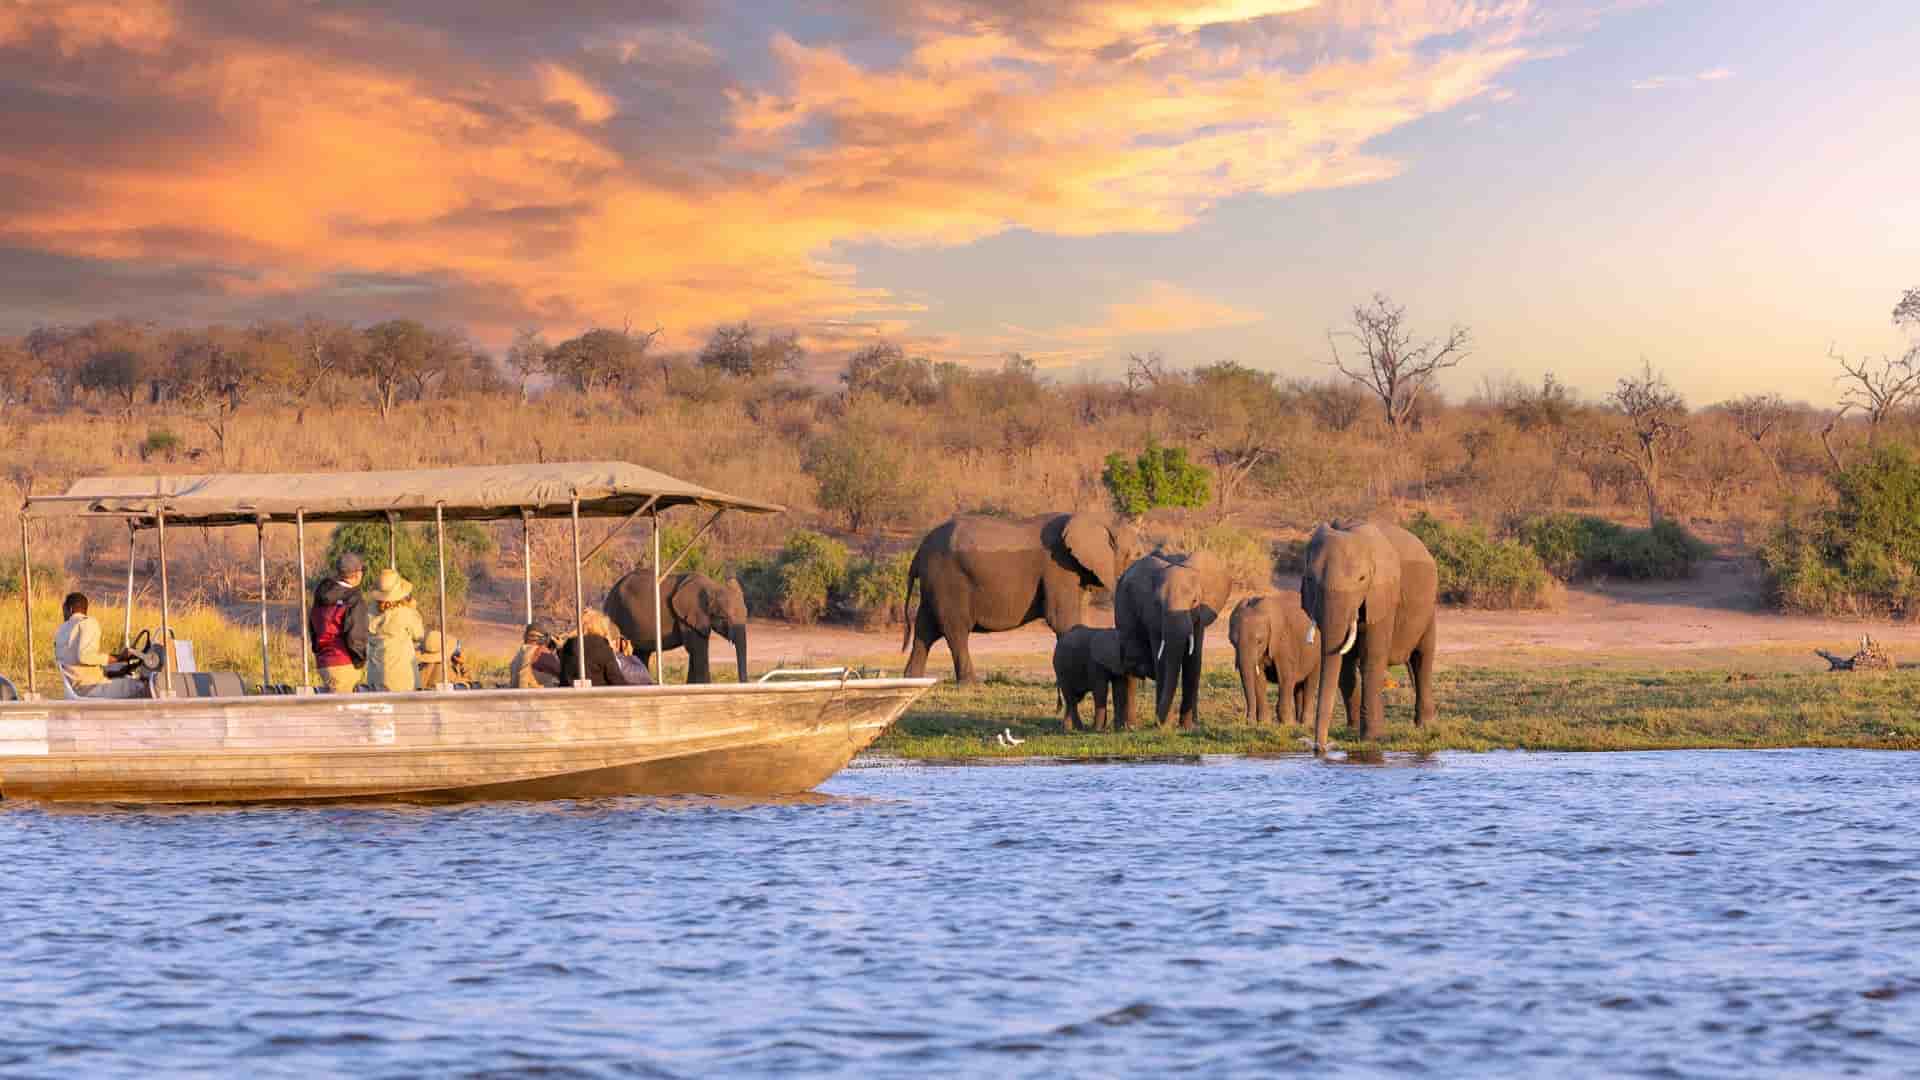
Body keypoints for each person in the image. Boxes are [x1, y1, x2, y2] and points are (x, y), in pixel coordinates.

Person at [53, 592, 145, 699]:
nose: (63, 613)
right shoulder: (88, 623)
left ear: (69, 609)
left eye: (63, 609)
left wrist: (118, 658)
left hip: (76, 688)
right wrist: (118, 658)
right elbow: (85, 657)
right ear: (71, 609)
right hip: (92, 688)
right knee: (141, 686)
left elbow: (77, 659)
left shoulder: (60, 630)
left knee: (120, 670)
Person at [309, 552, 368, 693]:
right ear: (357, 574)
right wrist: (359, 660)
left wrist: (319, 651)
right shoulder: (354, 598)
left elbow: (313, 626)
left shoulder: (321, 595)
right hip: (344, 661)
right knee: (343, 710)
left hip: (324, 662)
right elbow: (356, 635)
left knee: (335, 706)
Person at [365, 568, 425, 692]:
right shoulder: (404, 613)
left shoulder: (370, 611)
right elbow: (419, 634)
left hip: (375, 676)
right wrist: (413, 610)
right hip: (401, 678)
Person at [554, 610, 630, 687]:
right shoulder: (602, 647)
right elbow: (616, 679)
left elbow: (564, 677)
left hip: (570, 696)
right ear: (601, 626)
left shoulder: (569, 645)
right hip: (597, 695)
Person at [509, 622, 561, 689]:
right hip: (533, 696)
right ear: (544, 639)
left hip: (517, 695)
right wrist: (560, 650)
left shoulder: (519, 654)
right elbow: (563, 673)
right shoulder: (540, 652)